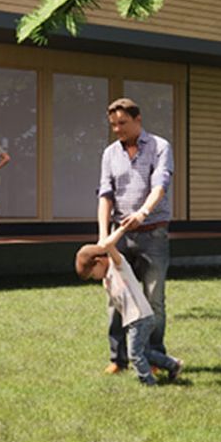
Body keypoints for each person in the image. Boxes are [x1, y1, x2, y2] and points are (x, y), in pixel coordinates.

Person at [96, 97, 173, 375]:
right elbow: (105, 195)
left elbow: (160, 186)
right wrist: (104, 238)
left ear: (138, 119)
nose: (117, 129)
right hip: (119, 238)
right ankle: (118, 359)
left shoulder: (160, 147)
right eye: (114, 124)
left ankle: (154, 359)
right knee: (117, 298)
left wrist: (143, 212)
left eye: (123, 123)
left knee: (154, 299)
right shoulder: (109, 154)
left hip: (153, 234)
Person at [76, 226, 183, 386]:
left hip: (140, 317)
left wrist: (123, 228)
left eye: (92, 274)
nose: (94, 278)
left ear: (98, 262)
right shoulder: (107, 278)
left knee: (134, 354)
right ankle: (173, 365)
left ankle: (148, 382)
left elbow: (109, 246)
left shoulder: (118, 266)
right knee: (143, 352)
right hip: (136, 319)